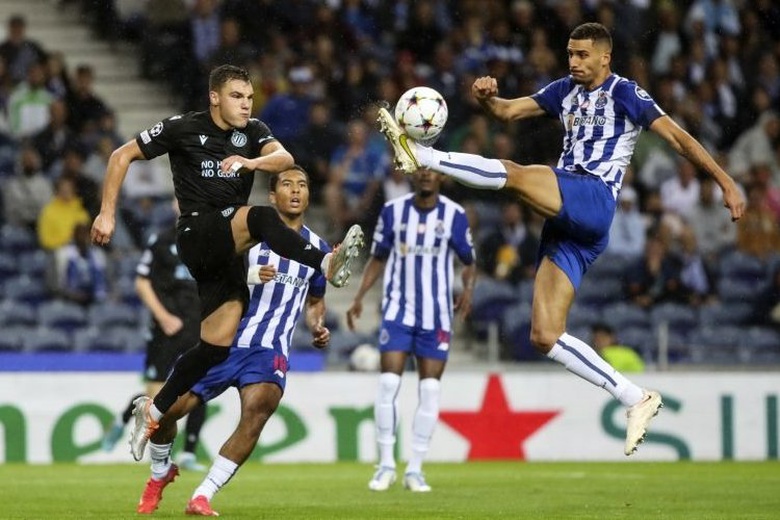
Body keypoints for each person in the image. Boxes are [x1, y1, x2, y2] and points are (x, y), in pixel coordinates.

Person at [376, 22, 746, 456]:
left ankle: (424, 155)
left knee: (514, 175)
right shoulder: (563, 91)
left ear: (605, 57)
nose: (573, 61)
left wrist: (725, 181)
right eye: (570, 53)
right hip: (568, 223)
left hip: (592, 197)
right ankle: (635, 398)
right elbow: (508, 112)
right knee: (545, 334)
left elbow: (679, 139)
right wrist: (486, 98)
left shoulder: (627, 94)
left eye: (582, 55)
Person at [90, 64, 364, 462]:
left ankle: (153, 412)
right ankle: (325, 262)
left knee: (214, 348)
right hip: (197, 233)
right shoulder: (183, 127)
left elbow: (284, 157)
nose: (245, 104)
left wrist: (251, 163)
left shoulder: (253, 131)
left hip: (226, 251)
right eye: (237, 96)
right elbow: (121, 155)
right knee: (260, 217)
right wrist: (106, 213)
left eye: (250, 97)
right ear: (214, 97)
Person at [134, 165, 331, 516]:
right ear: (272, 196)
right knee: (167, 413)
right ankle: (160, 473)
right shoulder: (247, 238)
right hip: (222, 344)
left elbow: (316, 300)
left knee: (257, 413)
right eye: (287, 184)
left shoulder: (319, 249)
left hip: (269, 350)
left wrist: (317, 325)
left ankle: (203, 495)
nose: (296, 190)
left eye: (302, 184)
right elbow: (210, 276)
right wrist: (250, 276)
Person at [346, 167, 476, 492]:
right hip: (398, 311)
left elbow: (469, 261)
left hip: (437, 316)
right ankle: (386, 464)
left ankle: (415, 469)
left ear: (442, 177)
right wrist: (359, 296)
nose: (427, 176)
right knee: (388, 383)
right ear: (411, 176)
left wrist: (468, 292)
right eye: (420, 170)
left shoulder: (455, 215)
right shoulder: (393, 212)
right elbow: (378, 257)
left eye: (433, 171)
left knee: (429, 390)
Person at [101, 204, 206, 473]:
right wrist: (163, 315)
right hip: (166, 332)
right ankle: (126, 418)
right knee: (158, 397)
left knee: (199, 391)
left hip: (198, 329)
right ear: (175, 206)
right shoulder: (161, 241)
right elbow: (141, 282)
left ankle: (189, 454)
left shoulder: (211, 242)